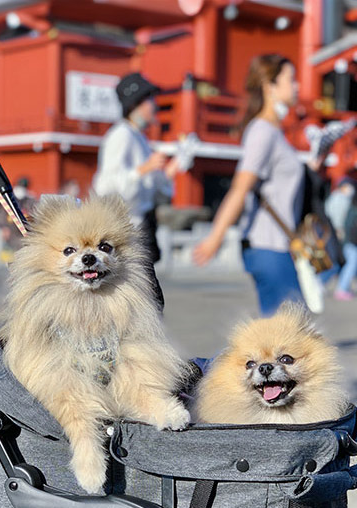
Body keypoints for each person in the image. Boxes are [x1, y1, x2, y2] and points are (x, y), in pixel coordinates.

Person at [193, 54, 305, 315]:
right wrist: (215, 237)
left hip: (278, 245)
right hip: (267, 245)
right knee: (287, 335)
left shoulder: (274, 132)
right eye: (291, 79)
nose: (297, 86)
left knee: (288, 333)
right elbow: (241, 186)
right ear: (270, 87)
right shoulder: (262, 132)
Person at [92, 72, 179, 308]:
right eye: (149, 100)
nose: (154, 106)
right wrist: (143, 170)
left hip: (141, 226)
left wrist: (164, 173)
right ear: (136, 104)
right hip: (127, 230)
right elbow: (105, 186)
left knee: (148, 300)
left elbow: (151, 189)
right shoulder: (121, 136)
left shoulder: (138, 138)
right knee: (147, 301)